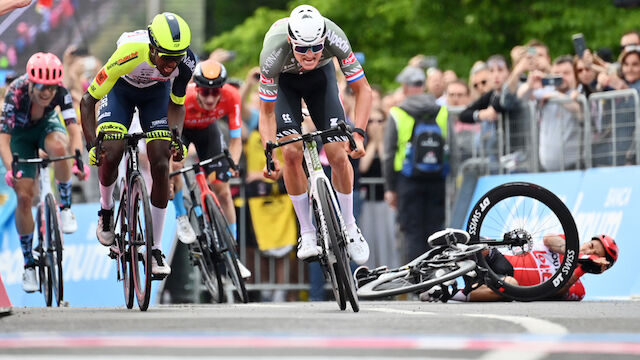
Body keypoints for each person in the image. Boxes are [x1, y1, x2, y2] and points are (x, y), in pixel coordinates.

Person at [80, 12, 195, 276]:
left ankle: (154, 249)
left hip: (156, 95)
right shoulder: (128, 54)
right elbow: (87, 101)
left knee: (161, 160)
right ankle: (107, 211)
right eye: (165, 57)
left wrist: (176, 137)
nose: (170, 65)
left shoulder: (186, 63)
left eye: (175, 59)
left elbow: (177, 104)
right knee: (113, 149)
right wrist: (91, 145)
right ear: (152, 48)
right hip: (119, 90)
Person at [258, 4, 372, 264]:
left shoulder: (335, 37)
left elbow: (363, 90)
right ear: (290, 41)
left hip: (321, 80)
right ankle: (307, 232)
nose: (309, 55)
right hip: (285, 85)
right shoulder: (272, 52)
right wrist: (269, 151)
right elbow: (265, 113)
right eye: (301, 48)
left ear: (323, 40)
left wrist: (360, 134)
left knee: (338, 154)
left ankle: (350, 226)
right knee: (290, 152)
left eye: (315, 48)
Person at [0, 52, 87, 292]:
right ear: (30, 83)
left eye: (51, 87)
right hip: (19, 136)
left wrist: (78, 158)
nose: (47, 93)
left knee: (60, 146)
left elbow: (73, 130)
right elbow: (4, 141)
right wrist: (11, 170)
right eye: (41, 87)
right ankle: (29, 263)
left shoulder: (61, 91)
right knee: (24, 197)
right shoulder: (15, 92)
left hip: (47, 128)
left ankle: (65, 205)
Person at [169, 59, 251, 278]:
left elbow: (235, 141)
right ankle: (181, 217)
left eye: (216, 92)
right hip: (182, 132)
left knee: (222, 190)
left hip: (208, 134)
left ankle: (233, 256)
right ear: (196, 87)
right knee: (175, 164)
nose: (210, 98)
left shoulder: (231, 96)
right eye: (205, 92)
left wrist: (232, 163)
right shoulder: (182, 97)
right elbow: (169, 139)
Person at [423, 234, 619, 302]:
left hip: (502, 280)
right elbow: (549, 240)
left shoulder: (579, 288)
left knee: (510, 285)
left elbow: (555, 292)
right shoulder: (569, 241)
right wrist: (575, 254)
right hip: (501, 261)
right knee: (483, 247)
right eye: (590, 245)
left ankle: (446, 293)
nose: (588, 250)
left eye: (595, 254)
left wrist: (581, 268)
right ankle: (441, 256)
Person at [383, 65, 448, 263]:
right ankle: (437, 279)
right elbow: (450, 148)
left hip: (407, 180)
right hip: (437, 179)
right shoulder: (442, 111)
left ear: (405, 87)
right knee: (436, 232)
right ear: (423, 86)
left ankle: (418, 286)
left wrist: (390, 188)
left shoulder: (397, 112)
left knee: (412, 233)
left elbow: (388, 153)